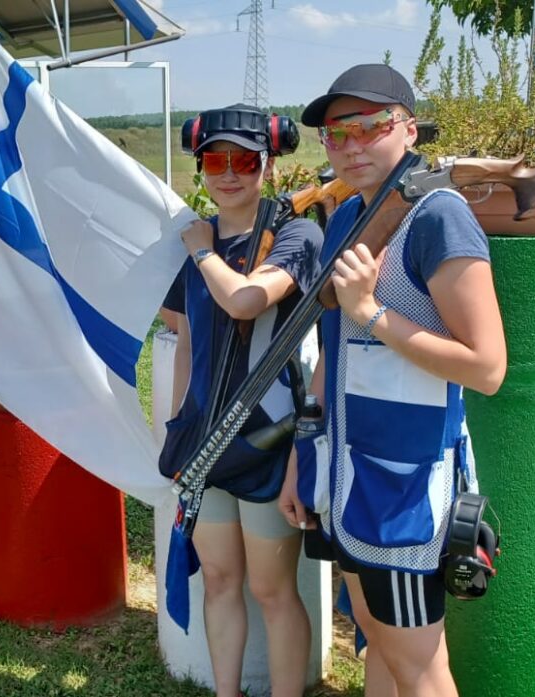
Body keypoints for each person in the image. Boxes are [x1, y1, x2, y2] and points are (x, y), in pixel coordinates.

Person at [278, 64, 507, 697]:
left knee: (421, 669)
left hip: (407, 491)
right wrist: (306, 461)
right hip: (348, 478)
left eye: (367, 128)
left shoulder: (439, 217)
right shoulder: (349, 216)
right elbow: (331, 351)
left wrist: (372, 314)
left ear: (407, 129)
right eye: (334, 133)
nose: (349, 145)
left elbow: (488, 368)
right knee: (377, 643)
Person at [162, 104, 322, 697]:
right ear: (201, 164)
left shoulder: (297, 234)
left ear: (269, 164)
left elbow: (248, 302)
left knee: (273, 591)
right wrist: (179, 425)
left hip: (266, 441)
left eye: (245, 161)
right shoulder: (196, 240)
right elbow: (184, 340)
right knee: (222, 580)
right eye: (216, 161)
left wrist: (204, 252)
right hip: (203, 443)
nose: (230, 174)